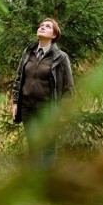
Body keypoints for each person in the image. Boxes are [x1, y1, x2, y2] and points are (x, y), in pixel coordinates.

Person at [12, 18, 74, 167]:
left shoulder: (61, 57)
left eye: (47, 26)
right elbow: (19, 77)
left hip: (47, 109)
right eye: (41, 25)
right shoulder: (28, 52)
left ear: (54, 35)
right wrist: (15, 102)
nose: (42, 27)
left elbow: (68, 88)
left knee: (47, 148)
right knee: (33, 146)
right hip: (27, 107)